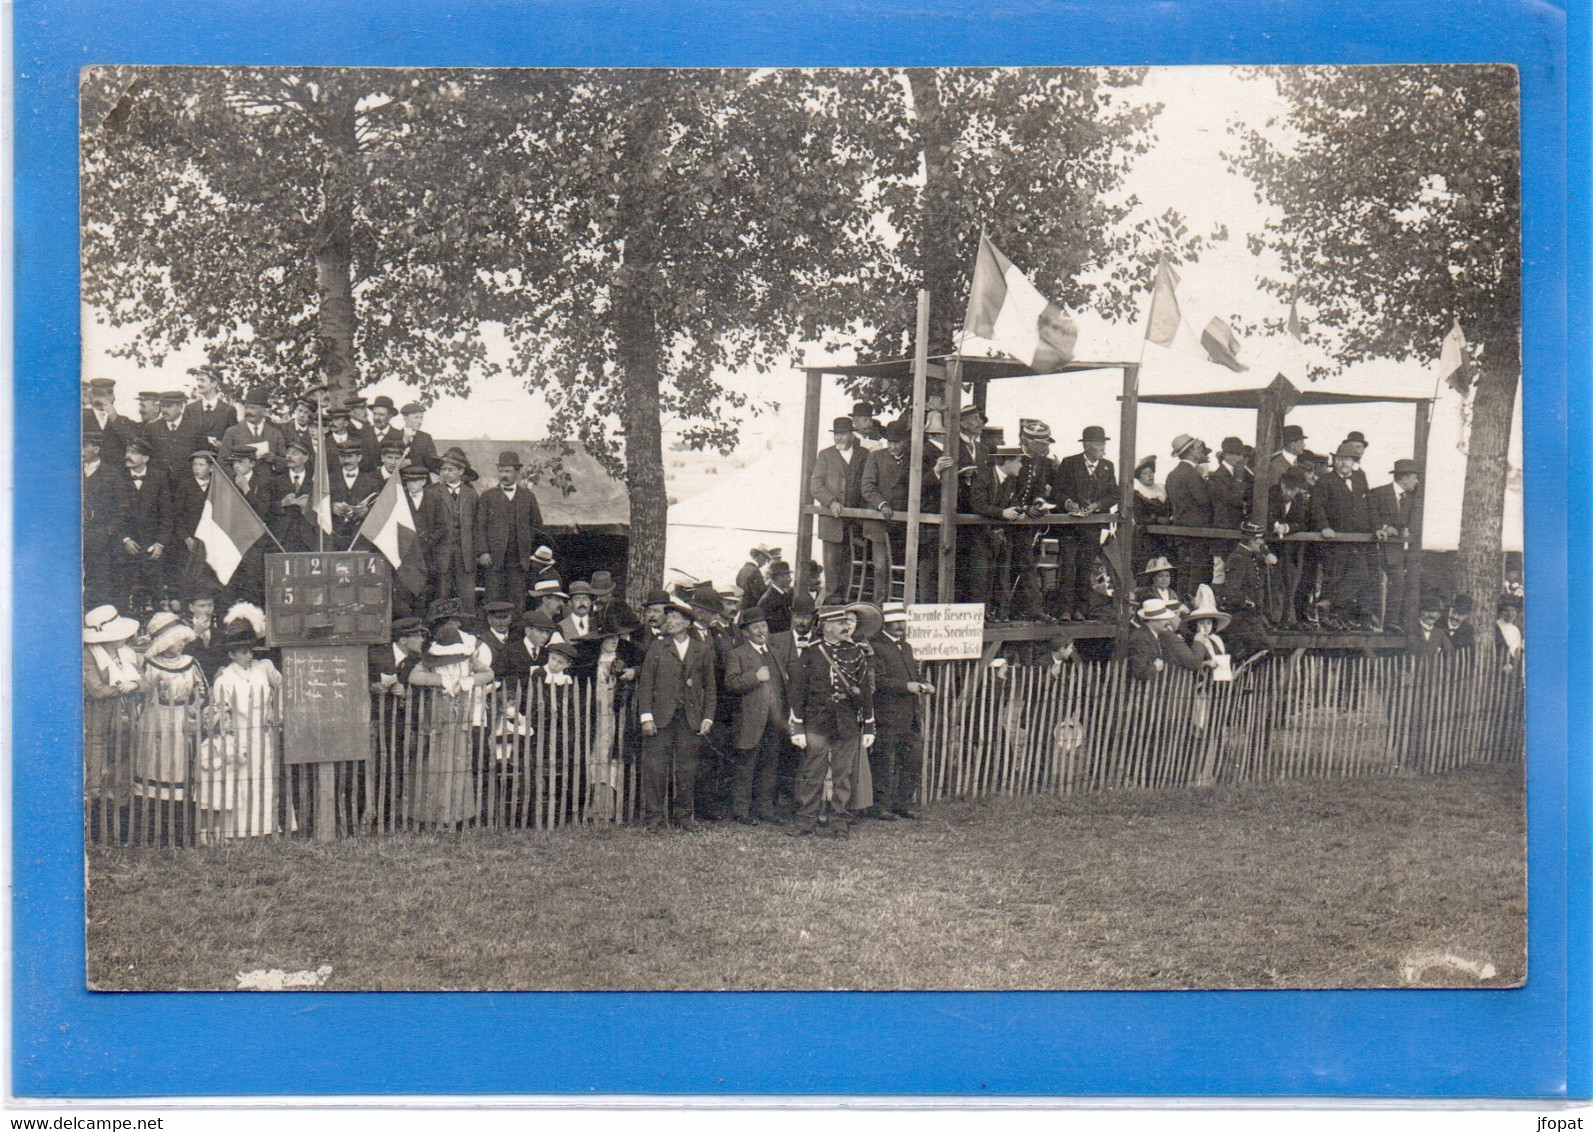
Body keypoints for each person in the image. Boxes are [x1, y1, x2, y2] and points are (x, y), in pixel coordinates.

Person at [787, 606, 875, 836]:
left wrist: (868, 725)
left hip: (847, 723)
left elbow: (865, 691)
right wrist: (796, 725)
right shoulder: (810, 652)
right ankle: (806, 822)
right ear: (826, 626)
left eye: (846, 622)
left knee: (843, 775)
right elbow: (798, 691)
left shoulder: (856, 652)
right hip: (816, 723)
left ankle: (839, 823)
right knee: (812, 773)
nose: (845, 626)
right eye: (839, 623)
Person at [198, 620, 284, 840]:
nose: (249, 656)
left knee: (265, 780)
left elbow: (285, 684)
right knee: (243, 781)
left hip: (264, 732)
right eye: (244, 652)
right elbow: (220, 711)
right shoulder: (225, 678)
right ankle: (243, 829)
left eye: (250, 651)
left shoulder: (264, 667)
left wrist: (276, 710)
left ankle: (267, 827)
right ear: (231, 655)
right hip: (240, 735)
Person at [636, 603, 718, 831]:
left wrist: (707, 718)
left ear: (687, 624)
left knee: (687, 769)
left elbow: (710, 688)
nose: (669, 621)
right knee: (655, 768)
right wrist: (646, 717)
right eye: (668, 617)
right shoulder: (658, 647)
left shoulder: (701, 649)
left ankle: (684, 817)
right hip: (661, 718)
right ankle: (654, 819)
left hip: (690, 718)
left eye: (675, 618)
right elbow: (645, 684)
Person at [407, 621, 493, 829]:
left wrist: (471, 681)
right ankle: (432, 816)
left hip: (461, 721)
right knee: (434, 768)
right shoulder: (429, 660)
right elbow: (414, 676)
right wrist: (439, 679)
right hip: (437, 722)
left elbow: (488, 673)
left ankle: (458, 815)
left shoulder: (469, 659)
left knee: (459, 766)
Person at [134, 613, 207, 843]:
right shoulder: (151, 665)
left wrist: (194, 710)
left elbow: (203, 692)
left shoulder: (191, 663)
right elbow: (140, 695)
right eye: (173, 642)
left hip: (182, 718)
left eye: (181, 641)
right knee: (156, 768)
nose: (179, 646)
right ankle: (155, 827)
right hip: (157, 718)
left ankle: (179, 826)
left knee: (180, 768)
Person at [859, 417, 942, 604]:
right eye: (889, 442)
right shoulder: (876, 457)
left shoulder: (914, 459)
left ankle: (904, 604)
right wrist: (882, 505)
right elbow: (867, 487)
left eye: (896, 442)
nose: (892, 446)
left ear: (906, 442)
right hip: (879, 525)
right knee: (881, 567)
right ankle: (880, 605)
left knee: (908, 566)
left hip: (904, 526)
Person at [722, 607, 790, 825]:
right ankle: (741, 811)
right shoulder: (737, 654)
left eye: (764, 625)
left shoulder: (775, 652)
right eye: (755, 627)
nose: (761, 631)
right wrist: (755, 676)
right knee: (746, 766)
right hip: (751, 721)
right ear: (746, 632)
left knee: (770, 766)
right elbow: (731, 683)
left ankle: (765, 809)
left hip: (774, 720)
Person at [83, 605, 144, 836]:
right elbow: (96, 690)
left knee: (123, 767)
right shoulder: (89, 655)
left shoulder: (127, 654)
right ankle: (97, 827)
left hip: (126, 719)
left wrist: (136, 684)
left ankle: (122, 824)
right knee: (97, 769)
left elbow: (146, 683)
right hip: (98, 719)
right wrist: (123, 689)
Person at [868, 601, 930, 821]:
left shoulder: (906, 647)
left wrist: (923, 683)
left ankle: (902, 804)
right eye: (895, 623)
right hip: (888, 715)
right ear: (885, 624)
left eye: (902, 623)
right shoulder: (876, 647)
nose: (899, 627)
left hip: (910, 715)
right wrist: (906, 687)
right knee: (884, 762)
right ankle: (880, 807)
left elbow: (913, 674)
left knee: (912, 761)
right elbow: (880, 681)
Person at [1311, 442, 1378, 629]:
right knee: (1334, 577)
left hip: (1357, 540)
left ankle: (1330, 605)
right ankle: (1330, 619)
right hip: (1335, 541)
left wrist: (1376, 527)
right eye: (1339, 459)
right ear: (1335, 461)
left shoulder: (1359, 479)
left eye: (1347, 459)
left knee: (1360, 574)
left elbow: (1369, 505)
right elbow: (1317, 506)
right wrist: (1324, 526)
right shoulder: (1325, 480)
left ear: (1353, 461)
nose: (1343, 463)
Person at [1054, 424, 1116, 622]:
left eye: (1103, 444)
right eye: (1099, 444)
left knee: (1085, 568)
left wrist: (1097, 505)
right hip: (1070, 528)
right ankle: (1064, 610)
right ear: (1088, 445)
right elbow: (1056, 491)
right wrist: (1068, 503)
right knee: (1068, 568)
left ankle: (1081, 610)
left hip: (1092, 527)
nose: (1103, 448)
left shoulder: (1108, 466)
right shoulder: (1069, 463)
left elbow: (1114, 494)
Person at [473, 449, 547, 606]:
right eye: (501, 471)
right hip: (494, 559)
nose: (503, 475)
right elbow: (479, 526)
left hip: (518, 559)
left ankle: (517, 630)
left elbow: (537, 526)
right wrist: (483, 551)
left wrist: (527, 546)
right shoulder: (488, 496)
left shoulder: (528, 497)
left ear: (517, 472)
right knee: (493, 598)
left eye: (508, 471)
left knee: (517, 599)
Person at [809, 416, 869, 604]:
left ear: (852, 434)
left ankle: (848, 610)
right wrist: (832, 501)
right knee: (833, 575)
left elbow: (868, 484)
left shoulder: (864, 454)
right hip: (832, 525)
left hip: (855, 525)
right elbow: (815, 485)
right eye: (836, 435)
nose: (838, 438)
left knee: (851, 574)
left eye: (842, 434)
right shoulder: (825, 455)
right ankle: (831, 612)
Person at [418, 447, 482, 614]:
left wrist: (477, 551)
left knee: (467, 596)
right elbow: (426, 525)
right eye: (443, 469)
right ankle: (442, 632)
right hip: (441, 554)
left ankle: (468, 631)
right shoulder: (431, 493)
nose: (445, 473)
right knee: (442, 596)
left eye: (450, 469)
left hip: (465, 555)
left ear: (461, 471)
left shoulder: (471, 495)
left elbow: (477, 526)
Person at [1369, 458, 1421, 629]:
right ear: (1404, 478)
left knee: (1398, 583)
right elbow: (1369, 514)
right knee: (1372, 585)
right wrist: (1383, 527)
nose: (1416, 481)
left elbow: (1406, 522)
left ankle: (1391, 622)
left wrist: (1405, 530)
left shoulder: (1409, 499)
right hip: (1375, 548)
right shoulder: (1378, 493)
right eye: (1414, 477)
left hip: (1395, 551)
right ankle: (1369, 620)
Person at [1165, 433, 1214, 596]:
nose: (1201, 451)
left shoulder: (1172, 474)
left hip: (1180, 530)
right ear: (1191, 452)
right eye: (1198, 448)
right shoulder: (1192, 474)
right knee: (1197, 572)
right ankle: (1193, 607)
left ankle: (1182, 604)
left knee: (1184, 571)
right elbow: (1204, 500)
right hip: (1197, 531)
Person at [1218, 521, 1275, 658]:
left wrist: (1268, 562)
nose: (1262, 543)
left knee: (1255, 653)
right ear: (1251, 541)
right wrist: (1249, 604)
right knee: (1264, 650)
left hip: (1251, 616)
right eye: (1260, 539)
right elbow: (1232, 591)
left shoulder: (1251, 556)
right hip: (1242, 616)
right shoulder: (1239, 558)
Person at [1118, 597, 1200, 682]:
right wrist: (1156, 667)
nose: (1168, 622)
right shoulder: (1140, 638)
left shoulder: (1152, 634)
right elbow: (1140, 671)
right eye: (1163, 619)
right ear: (1152, 621)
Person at [329, 439, 382, 549]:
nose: (346, 460)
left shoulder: (372, 482)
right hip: (335, 537)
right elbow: (318, 504)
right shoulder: (328, 480)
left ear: (359, 458)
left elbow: (379, 510)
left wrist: (366, 512)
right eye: (343, 457)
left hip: (361, 538)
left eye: (350, 456)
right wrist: (332, 507)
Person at [271, 437, 321, 553]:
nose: (289, 456)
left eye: (295, 453)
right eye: (287, 453)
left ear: (305, 458)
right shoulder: (275, 480)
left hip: (309, 538)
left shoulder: (316, 482)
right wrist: (282, 504)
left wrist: (309, 506)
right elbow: (265, 508)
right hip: (283, 538)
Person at [219, 387, 286, 472]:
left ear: (264, 411)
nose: (248, 411)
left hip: (268, 483)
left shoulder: (276, 434)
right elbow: (222, 461)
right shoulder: (232, 432)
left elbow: (285, 461)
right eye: (246, 407)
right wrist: (236, 478)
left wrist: (274, 459)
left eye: (253, 408)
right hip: (240, 482)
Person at [83, 377, 140, 469]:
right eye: (97, 395)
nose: (101, 399)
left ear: (113, 398)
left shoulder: (124, 421)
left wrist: (114, 418)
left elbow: (133, 443)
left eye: (105, 395)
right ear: (90, 397)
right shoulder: (81, 418)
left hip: (116, 476)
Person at [147, 390, 208, 473]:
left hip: (186, 480)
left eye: (169, 406)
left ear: (180, 407)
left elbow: (203, 456)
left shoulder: (196, 428)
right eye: (162, 406)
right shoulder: (152, 428)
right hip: (160, 482)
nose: (164, 410)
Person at [1131, 454, 1173, 572]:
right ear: (1139, 477)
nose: (1149, 475)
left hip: (1165, 535)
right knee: (1149, 567)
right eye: (1145, 473)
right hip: (1147, 537)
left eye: (1151, 472)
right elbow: (1140, 516)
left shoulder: (1161, 489)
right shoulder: (1137, 493)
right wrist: (1157, 519)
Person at [1208, 436, 1250, 531]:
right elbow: (1233, 500)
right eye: (1238, 454)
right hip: (1224, 528)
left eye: (1242, 454)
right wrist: (1239, 480)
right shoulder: (1217, 477)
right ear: (1226, 454)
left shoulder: (1242, 473)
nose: (1241, 458)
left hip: (1237, 526)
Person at [756, 558, 796, 634]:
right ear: (778, 577)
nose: (790, 579)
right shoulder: (767, 601)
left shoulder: (787, 594)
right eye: (787, 575)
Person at [399, 402, 439, 472]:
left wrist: (411, 461)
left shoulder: (426, 438)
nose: (420, 421)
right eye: (416, 417)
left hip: (422, 478)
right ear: (405, 419)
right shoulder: (395, 435)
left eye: (421, 418)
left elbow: (433, 462)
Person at [736, 545, 772, 612]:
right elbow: (760, 595)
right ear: (760, 556)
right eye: (766, 559)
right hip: (752, 610)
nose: (765, 563)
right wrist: (769, 587)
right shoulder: (755, 571)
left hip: (742, 608)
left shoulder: (742, 570)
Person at [1494, 595, 1524, 672]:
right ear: (1501, 612)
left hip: (1514, 667)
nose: (1510, 614)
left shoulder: (1515, 630)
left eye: (1513, 610)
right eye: (1506, 610)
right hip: (1500, 667)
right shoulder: (1496, 627)